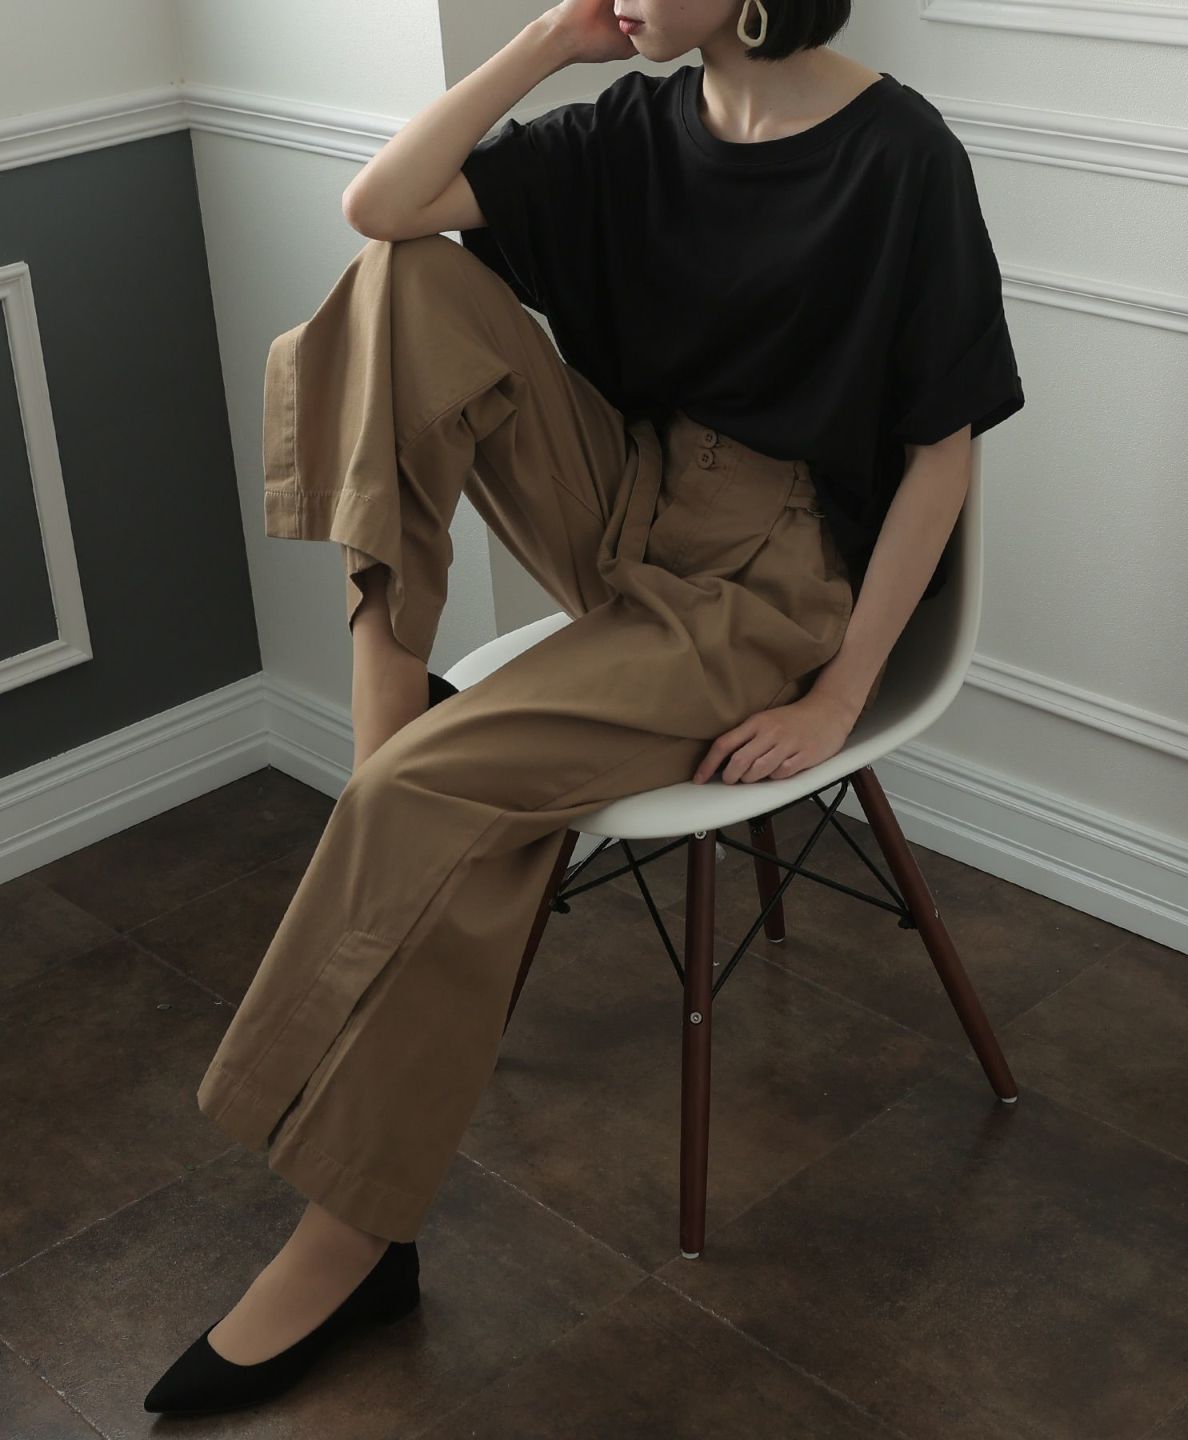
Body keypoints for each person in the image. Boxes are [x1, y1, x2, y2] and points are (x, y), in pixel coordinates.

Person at [144, 0, 1024, 1414]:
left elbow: (942, 452)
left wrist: (841, 692)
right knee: (402, 284)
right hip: (627, 497)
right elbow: (385, 204)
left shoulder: (898, 154)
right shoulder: (636, 122)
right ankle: (392, 699)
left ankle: (354, 1241)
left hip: (766, 580)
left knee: (426, 796)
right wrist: (550, 42)